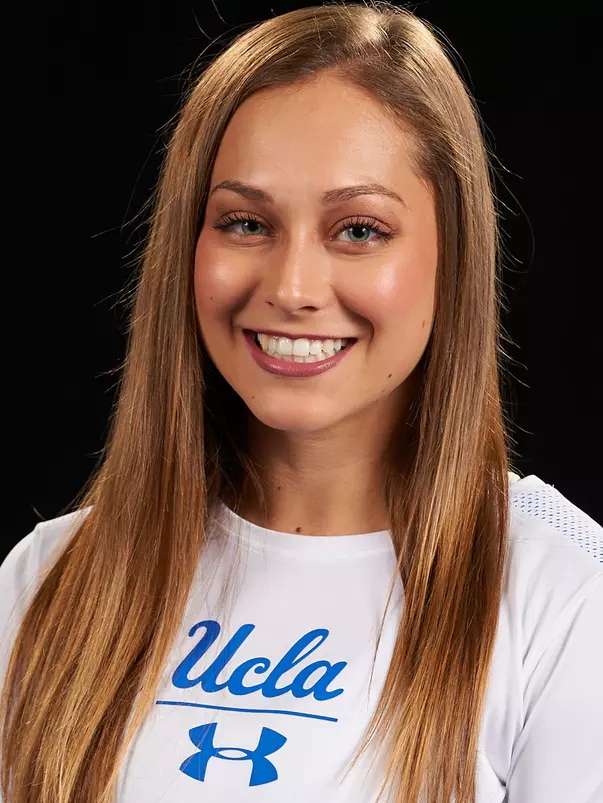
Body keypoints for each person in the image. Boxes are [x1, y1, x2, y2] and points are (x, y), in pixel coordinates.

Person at [1, 3, 602, 802]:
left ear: (451, 255)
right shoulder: (51, 578)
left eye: (357, 230)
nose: (289, 289)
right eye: (245, 222)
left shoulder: (559, 595)